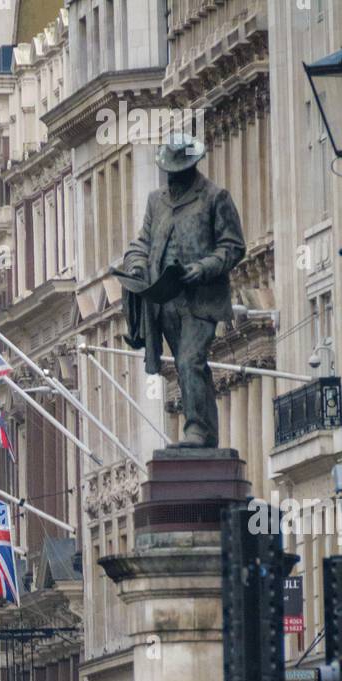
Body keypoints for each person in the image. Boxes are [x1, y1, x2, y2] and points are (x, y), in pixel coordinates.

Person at [118, 132, 246, 448]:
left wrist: (203, 268)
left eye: (179, 169)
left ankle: (198, 431)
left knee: (191, 360)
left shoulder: (215, 197)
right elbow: (142, 242)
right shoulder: (155, 201)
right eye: (170, 170)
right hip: (165, 300)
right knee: (183, 366)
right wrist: (136, 264)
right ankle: (203, 433)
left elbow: (233, 246)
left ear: (191, 167)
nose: (173, 176)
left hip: (201, 299)